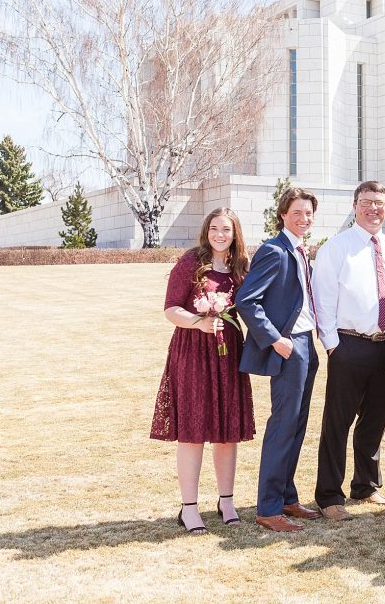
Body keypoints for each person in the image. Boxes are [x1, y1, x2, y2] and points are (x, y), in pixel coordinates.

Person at [150, 207, 254, 534]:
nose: (220, 235)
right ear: (206, 231)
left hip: (229, 354)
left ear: (235, 233)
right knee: (193, 431)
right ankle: (189, 508)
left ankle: (226, 501)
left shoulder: (241, 267)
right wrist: (199, 322)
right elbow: (171, 309)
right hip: (193, 351)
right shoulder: (191, 262)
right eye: (214, 229)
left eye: (226, 229)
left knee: (226, 431)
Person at [312, 180, 385, 520]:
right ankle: (329, 496)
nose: (374, 208)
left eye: (380, 203)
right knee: (338, 422)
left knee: (375, 419)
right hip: (348, 344)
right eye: (367, 202)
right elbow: (322, 298)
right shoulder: (337, 247)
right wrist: (332, 345)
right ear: (355, 205)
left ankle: (366, 485)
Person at [235, 188, 321, 533]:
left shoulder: (301, 251)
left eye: (309, 213)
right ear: (283, 214)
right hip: (289, 346)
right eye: (297, 212)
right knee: (283, 424)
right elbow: (247, 300)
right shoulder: (274, 250)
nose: (304, 218)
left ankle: (286, 495)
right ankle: (268, 507)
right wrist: (275, 339)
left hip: (307, 343)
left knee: (297, 424)